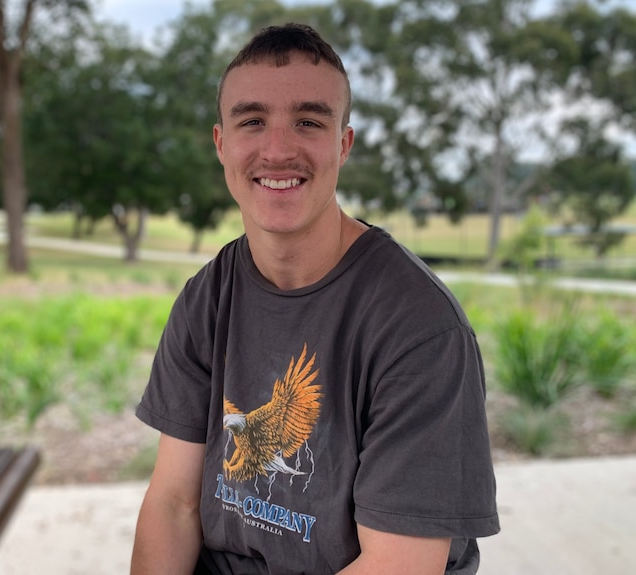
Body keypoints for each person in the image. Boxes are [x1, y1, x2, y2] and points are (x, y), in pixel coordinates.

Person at [131, 22, 500, 574]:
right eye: (252, 121)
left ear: (342, 144)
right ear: (222, 144)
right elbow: (174, 504)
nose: (277, 150)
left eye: (308, 121)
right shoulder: (207, 298)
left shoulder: (420, 329)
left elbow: (397, 565)